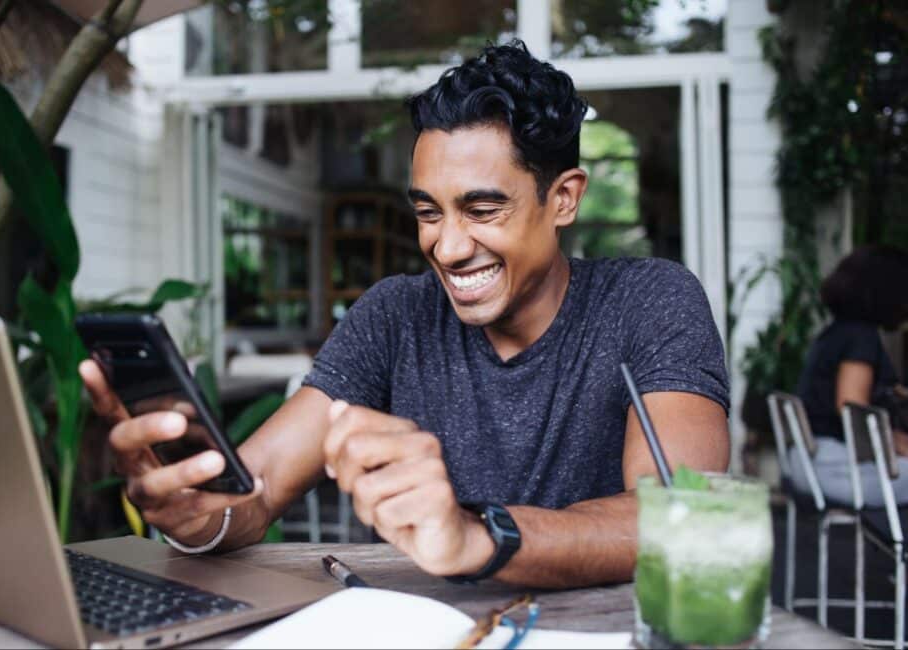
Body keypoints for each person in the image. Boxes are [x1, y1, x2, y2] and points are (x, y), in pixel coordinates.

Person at [80, 41, 730, 588]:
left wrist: (478, 538)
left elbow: (680, 517)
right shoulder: (395, 315)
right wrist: (196, 509)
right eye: (426, 212)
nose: (444, 247)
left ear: (562, 199)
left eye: (481, 211)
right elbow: (255, 493)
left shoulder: (650, 300)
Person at [792, 245, 908, 507]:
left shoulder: (835, 333)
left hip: (809, 461)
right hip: (836, 469)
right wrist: (897, 444)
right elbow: (852, 411)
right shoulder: (861, 338)